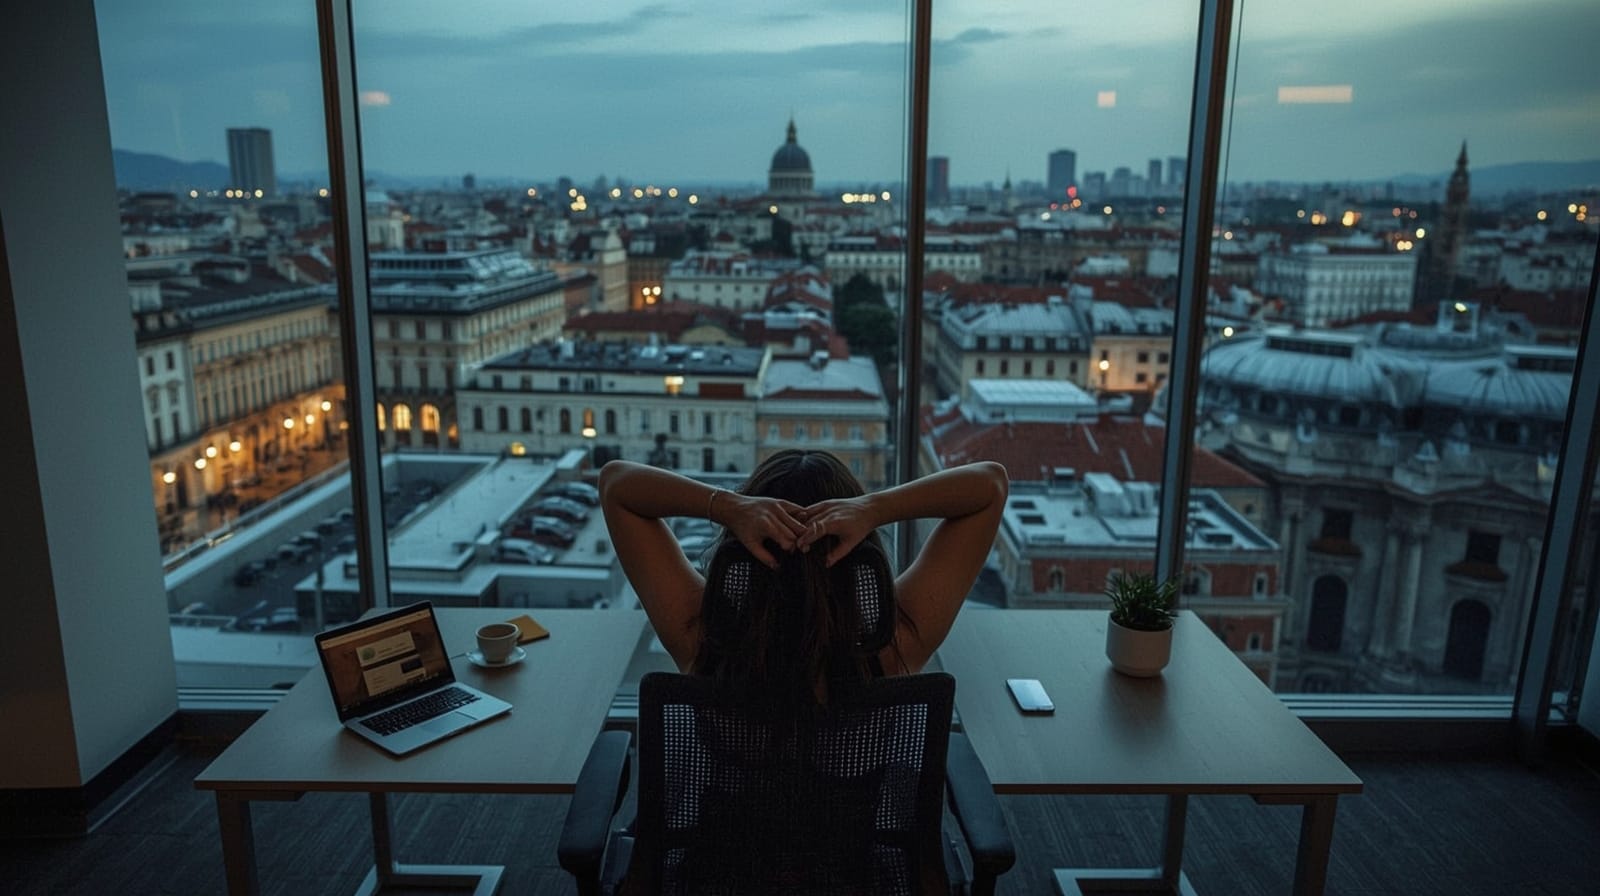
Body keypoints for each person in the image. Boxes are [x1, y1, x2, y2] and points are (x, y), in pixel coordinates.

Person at [598, 450, 1008, 692]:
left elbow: (617, 484)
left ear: (745, 546)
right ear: (857, 549)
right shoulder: (895, 645)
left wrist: (729, 507)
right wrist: (873, 508)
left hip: (732, 821)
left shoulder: (702, 640)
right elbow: (990, 484)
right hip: (856, 822)